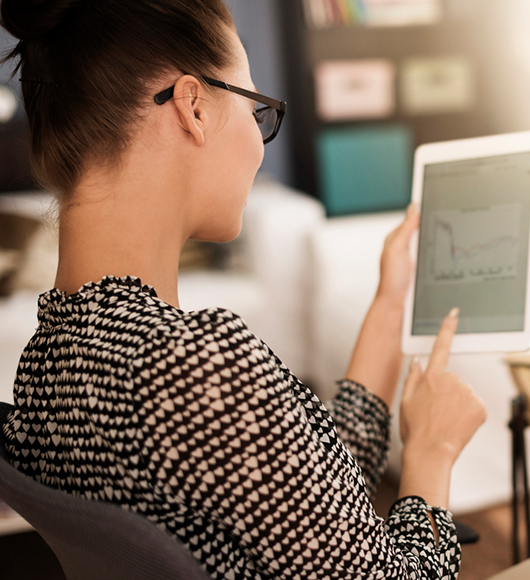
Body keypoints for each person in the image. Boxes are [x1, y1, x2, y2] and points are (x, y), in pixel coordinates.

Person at [0, 1, 486, 578]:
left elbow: (299, 496)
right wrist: (432, 453)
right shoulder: (191, 364)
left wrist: (388, 301)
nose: (259, 148)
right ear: (194, 107)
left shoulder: (49, 360)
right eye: (256, 110)